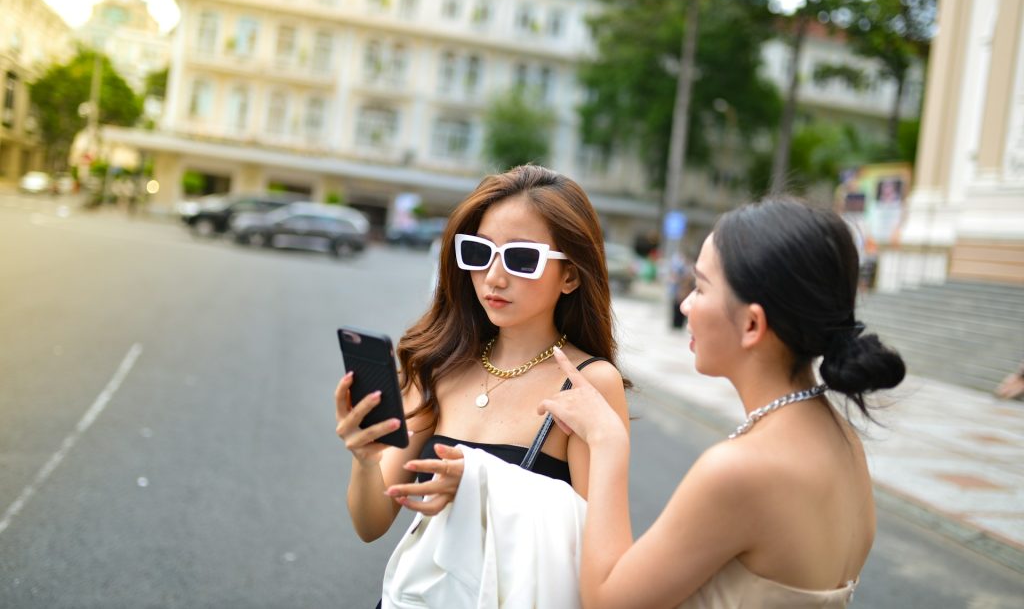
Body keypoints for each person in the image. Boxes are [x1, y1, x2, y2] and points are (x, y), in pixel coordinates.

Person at [539, 197, 906, 608]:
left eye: (700, 287)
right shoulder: (841, 438)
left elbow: (607, 601)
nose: (685, 304)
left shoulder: (738, 470)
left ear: (751, 324)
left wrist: (606, 439)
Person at [334, 165, 629, 603]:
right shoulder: (441, 365)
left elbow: (599, 556)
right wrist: (363, 459)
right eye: (478, 252)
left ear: (570, 275)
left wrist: (480, 486)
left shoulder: (588, 383)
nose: (493, 277)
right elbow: (371, 524)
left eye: (521, 259)